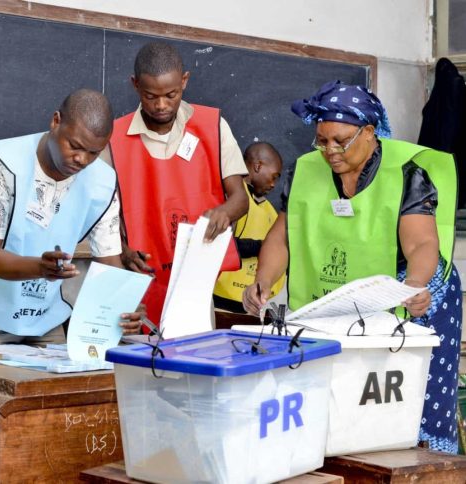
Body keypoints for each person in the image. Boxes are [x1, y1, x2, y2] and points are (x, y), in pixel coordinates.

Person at [242, 80, 460, 453]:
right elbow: (283, 236)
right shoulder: (305, 171)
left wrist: (415, 286)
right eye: (322, 141)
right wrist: (263, 281)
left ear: (369, 132)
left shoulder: (407, 174)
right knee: (347, 403)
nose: (329, 150)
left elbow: (421, 242)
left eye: (339, 140)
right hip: (345, 297)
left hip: (414, 296)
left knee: (410, 406)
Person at [0, 88, 142, 352]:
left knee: (60, 389)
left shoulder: (102, 181)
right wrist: (41, 268)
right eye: (75, 146)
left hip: (45, 321)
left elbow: (109, 260)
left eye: (94, 152)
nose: (82, 159)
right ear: (56, 121)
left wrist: (122, 303)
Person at [106, 41, 249, 326]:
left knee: (194, 360)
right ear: (135, 85)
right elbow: (100, 216)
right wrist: (120, 248)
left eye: (171, 94)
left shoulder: (213, 125)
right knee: (135, 362)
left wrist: (225, 212)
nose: (161, 105)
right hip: (136, 282)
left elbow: (240, 198)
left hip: (194, 279)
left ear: (184, 81)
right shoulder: (113, 138)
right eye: (150, 96)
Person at [213, 142, 285, 313]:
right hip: (222, 301)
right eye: (274, 176)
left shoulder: (271, 211)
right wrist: (262, 247)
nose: (274, 184)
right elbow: (222, 245)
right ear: (258, 166)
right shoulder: (232, 200)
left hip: (255, 304)